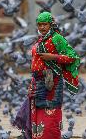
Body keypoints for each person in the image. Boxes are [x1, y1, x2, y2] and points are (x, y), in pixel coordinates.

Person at [27, 11, 80, 139]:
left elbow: (73, 57)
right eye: (39, 25)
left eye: (45, 24)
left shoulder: (57, 38)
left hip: (52, 83)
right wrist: (32, 83)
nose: (42, 27)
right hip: (37, 82)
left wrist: (53, 57)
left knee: (50, 117)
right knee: (38, 115)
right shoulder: (40, 39)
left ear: (51, 24)